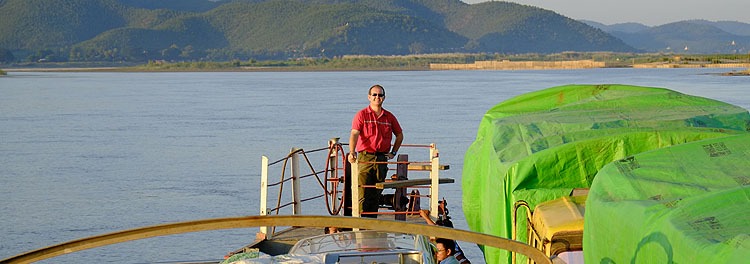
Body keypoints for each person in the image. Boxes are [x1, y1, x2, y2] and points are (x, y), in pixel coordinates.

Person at [348, 84, 403, 218]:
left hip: (381, 159)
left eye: (380, 95)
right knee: (362, 192)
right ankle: (361, 223)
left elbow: (400, 135)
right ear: (369, 97)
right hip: (365, 157)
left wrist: (393, 153)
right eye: (374, 95)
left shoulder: (389, 117)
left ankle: (372, 222)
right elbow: (354, 134)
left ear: (384, 98)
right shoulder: (361, 115)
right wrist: (352, 151)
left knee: (377, 192)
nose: (377, 97)